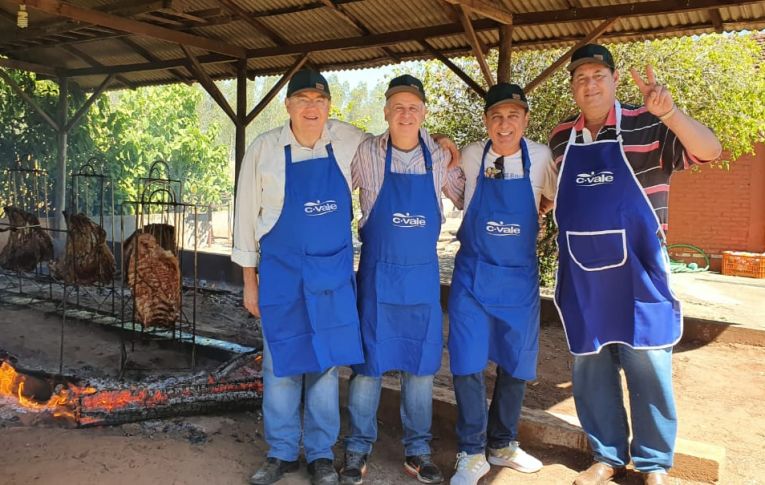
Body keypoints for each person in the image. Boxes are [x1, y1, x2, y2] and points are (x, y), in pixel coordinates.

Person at [548, 44, 722, 485]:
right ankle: (605, 457)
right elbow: (556, 199)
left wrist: (671, 113)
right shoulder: (560, 138)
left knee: (649, 365)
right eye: (581, 78)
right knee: (590, 367)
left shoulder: (647, 124)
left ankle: (654, 464)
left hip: (639, 272)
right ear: (572, 87)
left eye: (598, 76)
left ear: (614, 80)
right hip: (584, 276)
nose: (590, 85)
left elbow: (710, 151)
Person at [232, 69, 367, 485]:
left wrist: (444, 145)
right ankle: (282, 451)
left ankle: (322, 453)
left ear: (329, 106)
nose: (312, 108)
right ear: (287, 105)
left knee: (325, 365)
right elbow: (243, 220)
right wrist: (249, 283)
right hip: (282, 276)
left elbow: (401, 143)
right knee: (281, 366)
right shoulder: (264, 149)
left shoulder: (349, 142)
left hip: (330, 275)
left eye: (320, 100)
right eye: (303, 99)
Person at [339, 75, 462, 485]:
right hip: (377, 280)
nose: (406, 114)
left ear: (423, 113)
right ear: (386, 112)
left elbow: (468, 194)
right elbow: (332, 177)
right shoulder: (366, 153)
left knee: (421, 368)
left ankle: (418, 449)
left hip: (422, 283)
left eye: (414, 107)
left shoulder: (440, 158)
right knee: (368, 368)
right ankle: (357, 448)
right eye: (398, 107)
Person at [446, 83, 557, 485]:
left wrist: (543, 211)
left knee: (515, 362)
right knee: (467, 362)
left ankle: (503, 443)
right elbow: (445, 171)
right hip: (473, 277)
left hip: (519, 281)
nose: (504, 124)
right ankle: (471, 451)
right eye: (496, 116)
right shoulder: (474, 156)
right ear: (486, 122)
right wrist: (443, 140)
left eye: (513, 116)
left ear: (525, 120)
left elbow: (551, 200)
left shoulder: (543, 157)